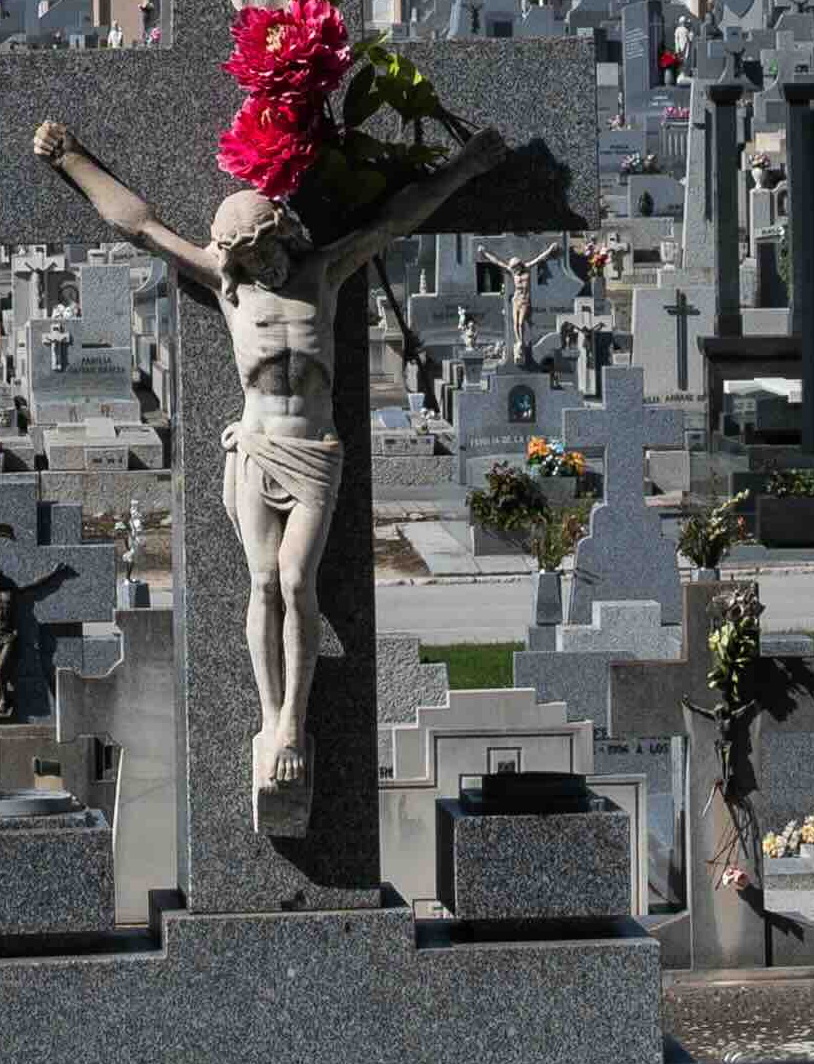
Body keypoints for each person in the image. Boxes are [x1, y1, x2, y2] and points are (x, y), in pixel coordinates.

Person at [27, 110, 507, 825]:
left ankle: (292, 725)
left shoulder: (321, 273)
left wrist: (464, 167)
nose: (264, 268)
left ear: (282, 235)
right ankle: (271, 716)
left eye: (267, 253)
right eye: (251, 260)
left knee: (295, 579)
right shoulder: (230, 289)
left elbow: (392, 223)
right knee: (261, 580)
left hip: (313, 452)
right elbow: (140, 226)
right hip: (255, 449)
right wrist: (71, 160)